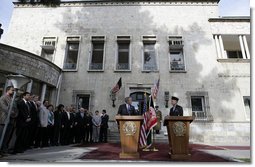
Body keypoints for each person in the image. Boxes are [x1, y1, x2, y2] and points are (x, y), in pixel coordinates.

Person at [0, 86, 16, 154]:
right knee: (1, 136)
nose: (13, 92)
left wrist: (15, 114)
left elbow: (15, 108)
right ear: (8, 90)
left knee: (7, 136)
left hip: (11, 120)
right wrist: (12, 113)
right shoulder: (3, 97)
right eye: (12, 90)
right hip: (4, 120)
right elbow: (4, 108)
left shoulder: (12, 98)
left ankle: (3, 150)